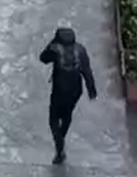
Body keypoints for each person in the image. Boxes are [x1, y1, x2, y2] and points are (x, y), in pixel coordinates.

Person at [39, 27, 97, 164]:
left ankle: (59, 145)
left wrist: (51, 43)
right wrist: (92, 89)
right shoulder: (80, 50)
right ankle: (61, 139)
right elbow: (87, 71)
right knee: (67, 114)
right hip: (76, 90)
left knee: (53, 118)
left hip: (59, 91)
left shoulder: (55, 49)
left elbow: (43, 58)